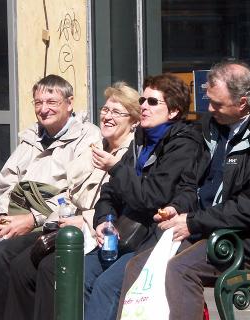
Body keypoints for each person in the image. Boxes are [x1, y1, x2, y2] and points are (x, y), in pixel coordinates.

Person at [116, 61, 250, 320]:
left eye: (218, 104)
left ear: (243, 103)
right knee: (138, 266)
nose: (210, 109)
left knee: (179, 270)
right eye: (209, 101)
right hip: (208, 228)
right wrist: (178, 207)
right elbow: (192, 182)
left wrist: (193, 222)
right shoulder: (212, 128)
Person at [0, 74, 101, 320]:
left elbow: (76, 196)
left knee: (2, 254)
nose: (43, 109)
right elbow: (7, 184)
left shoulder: (87, 139)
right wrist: (0, 216)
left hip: (51, 226)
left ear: (69, 103)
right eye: (38, 103)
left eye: (51, 102)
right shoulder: (31, 138)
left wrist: (33, 219)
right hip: (16, 222)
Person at [2, 81, 141, 320]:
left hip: (98, 233)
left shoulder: (132, 155)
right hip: (65, 226)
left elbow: (121, 203)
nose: (107, 117)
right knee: (19, 264)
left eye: (116, 112)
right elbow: (68, 193)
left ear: (134, 121)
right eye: (105, 110)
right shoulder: (94, 148)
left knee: (49, 268)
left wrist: (83, 220)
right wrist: (50, 217)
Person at [84, 73, 203, 320]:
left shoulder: (184, 144)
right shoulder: (141, 139)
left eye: (152, 102)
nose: (144, 107)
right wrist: (104, 219)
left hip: (155, 236)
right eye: (142, 100)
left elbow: (153, 197)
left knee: (108, 286)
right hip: (125, 232)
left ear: (173, 112)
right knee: (80, 273)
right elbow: (110, 191)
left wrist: (115, 167)